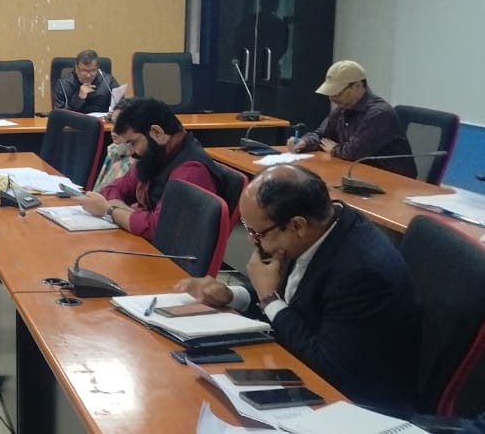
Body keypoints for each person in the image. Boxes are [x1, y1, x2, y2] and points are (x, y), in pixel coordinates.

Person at [175, 165, 418, 411]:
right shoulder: (318, 229)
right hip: (305, 372)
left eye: (257, 233)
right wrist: (231, 295)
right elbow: (293, 296)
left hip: (355, 403)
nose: (251, 240)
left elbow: (327, 367)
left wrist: (269, 299)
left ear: (297, 226)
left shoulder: (361, 272)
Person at [73, 97, 226, 239]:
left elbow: (157, 228)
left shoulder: (190, 171)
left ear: (156, 133)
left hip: (168, 254)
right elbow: (114, 187)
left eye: (133, 143)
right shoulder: (156, 154)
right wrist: (123, 211)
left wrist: (110, 211)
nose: (131, 152)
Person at [288, 60, 415, 178]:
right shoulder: (342, 109)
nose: (332, 98)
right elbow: (321, 135)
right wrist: (304, 143)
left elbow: (353, 153)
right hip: (360, 174)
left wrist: (334, 149)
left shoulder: (379, 113)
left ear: (357, 86)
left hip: (393, 180)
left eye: (337, 93)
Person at [53, 50, 120, 114]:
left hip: (102, 121)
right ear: (76, 68)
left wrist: (115, 113)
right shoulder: (64, 84)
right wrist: (79, 98)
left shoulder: (108, 81)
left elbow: (121, 105)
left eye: (92, 70)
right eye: (84, 71)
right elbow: (60, 115)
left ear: (97, 68)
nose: (88, 75)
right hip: (76, 121)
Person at [91, 101, 132, 190]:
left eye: (120, 124)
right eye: (113, 123)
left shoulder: (131, 164)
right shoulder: (113, 151)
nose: (114, 129)